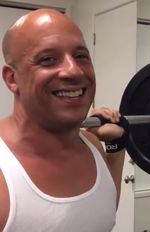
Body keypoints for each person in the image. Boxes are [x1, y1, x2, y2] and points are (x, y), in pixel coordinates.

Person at [0, 8, 126, 232]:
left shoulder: (94, 145)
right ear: (12, 79)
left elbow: (102, 218)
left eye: (80, 56)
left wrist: (117, 147)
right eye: (48, 60)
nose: (73, 70)